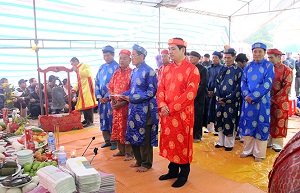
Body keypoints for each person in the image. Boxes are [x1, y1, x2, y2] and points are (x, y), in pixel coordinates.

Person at [157, 38, 200, 188]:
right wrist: (162, 105)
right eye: (169, 49)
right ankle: (172, 170)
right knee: (170, 141)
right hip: (167, 114)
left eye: (173, 49)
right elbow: (160, 88)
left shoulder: (192, 69)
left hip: (182, 115)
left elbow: (190, 94)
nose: (170, 52)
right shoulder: (166, 68)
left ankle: (183, 174)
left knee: (181, 143)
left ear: (183, 50)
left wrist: (171, 108)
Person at [121, 44, 158, 173]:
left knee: (145, 137)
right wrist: (122, 95)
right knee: (133, 134)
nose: (131, 58)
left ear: (141, 56)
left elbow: (151, 92)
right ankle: (138, 160)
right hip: (133, 109)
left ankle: (147, 163)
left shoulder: (150, 71)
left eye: (133, 55)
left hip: (145, 110)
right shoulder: (135, 71)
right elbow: (132, 90)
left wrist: (132, 98)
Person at [239, 42, 275, 162]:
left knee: (261, 126)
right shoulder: (248, 66)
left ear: (264, 53)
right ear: (252, 52)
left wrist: (253, 96)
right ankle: (247, 150)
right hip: (248, 102)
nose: (257, 54)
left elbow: (267, 84)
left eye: (260, 51)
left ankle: (259, 154)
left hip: (261, 103)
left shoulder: (269, 66)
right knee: (248, 126)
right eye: (255, 51)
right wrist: (246, 95)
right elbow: (243, 82)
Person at [214, 48, 243, 151]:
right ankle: (220, 141)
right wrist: (218, 96)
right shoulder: (222, 69)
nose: (226, 60)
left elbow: (239, 87)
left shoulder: (238, 70)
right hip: (219, 100)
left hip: (231, 102)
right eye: (225, 57)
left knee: (230, 120)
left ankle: (229, 144)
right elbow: (216, 83)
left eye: (229, 58)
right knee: (219, 120)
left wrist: (227, 99)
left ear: (234, 57)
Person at [108, 49, 133, 161]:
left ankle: (129, 152)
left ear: (130, 60)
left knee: (126, 129)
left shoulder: (132, 73)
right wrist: (112, 100)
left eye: (124, 58)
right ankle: (121, 150)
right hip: (116, 107)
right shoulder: (116, 73)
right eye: (120, 58)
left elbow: (134, 91)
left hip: (127, 107)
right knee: (117, 128)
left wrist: (123, 103)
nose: (121, 60)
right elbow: (111, 88)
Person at [267, 48, 292, 152]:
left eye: (271, 57)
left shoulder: (287, 70)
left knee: (278, 120)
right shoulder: (267, 68)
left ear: (279, 57)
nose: (270, 60)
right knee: (267, 120)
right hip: (267, 100)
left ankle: (277, 143)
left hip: (280, 101)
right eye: (268, 58)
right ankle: (268, 140)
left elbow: (287, 87)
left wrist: (274, 99)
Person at [95, 45, 119, 150]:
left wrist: (107, 96)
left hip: (111, 100)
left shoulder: (117, 67)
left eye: (108, 55)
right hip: (102, 101)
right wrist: (99, 96)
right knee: (103, 119)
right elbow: (96, 82)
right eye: (104, 55)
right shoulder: (101, 67)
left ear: (113, 55)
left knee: (112, 120)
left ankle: (114, 141)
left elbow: (116, 84)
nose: (106, 57)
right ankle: (107, 140)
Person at [70, 57, 97, 128]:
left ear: (75, 61)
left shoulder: (84, 65)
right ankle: (86, 119)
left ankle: (90, 121)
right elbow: (78, 81)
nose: (72, 66)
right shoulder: (78, 69)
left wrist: (78, 70)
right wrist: (74, 89)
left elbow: (88, 73)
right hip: (82, 89)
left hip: (88, 88)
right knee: (84, 105)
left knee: (88, 104)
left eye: (72, 64)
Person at [188, 51, 208, 142]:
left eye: (192, 57)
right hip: (188, 97)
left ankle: (197, 135)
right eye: (190, 57)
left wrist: (194, 94)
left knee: (198, 116)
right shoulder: (189, 68)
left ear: (197, 58)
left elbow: (203, 85)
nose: (190, 59)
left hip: (198, 97)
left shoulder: (203, 69)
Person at [205, 51, 223, 134]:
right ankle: (209, 128)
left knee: (217, 110)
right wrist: (208, 90)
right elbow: (206, 80)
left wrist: (215, 91)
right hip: (209, 92)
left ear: (220, 59)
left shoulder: (222, 69)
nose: (214, 59)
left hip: (218, 93)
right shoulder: (208, 68)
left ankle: (217, 129)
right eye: (213, 57)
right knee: (209, 109)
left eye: (216, 57)